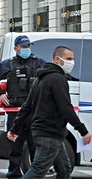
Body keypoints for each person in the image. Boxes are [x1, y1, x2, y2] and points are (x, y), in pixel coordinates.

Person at [7, 46, 92, 178]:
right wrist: (83, 131)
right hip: (49, 132)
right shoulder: (58, 79)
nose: (72, 62)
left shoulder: (40, 79)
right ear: (57, 59)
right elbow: (66, 108)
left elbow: (26, 107)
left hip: (48, 132)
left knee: (64, 168)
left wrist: (15, 129)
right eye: (68, 59)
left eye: (73, 59)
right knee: (38, 169)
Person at [0, 35, 45, 179]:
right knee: (15, 143)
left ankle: (34, 174)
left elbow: (49, 80)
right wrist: (0, 94)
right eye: (23, 46)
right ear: (16, 48)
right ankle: (13, 173)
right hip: (15, 110)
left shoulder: (39, 63)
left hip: (34, 111)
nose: (26, 49)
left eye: (28, 46)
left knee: (34, 144)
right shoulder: (7, 64)